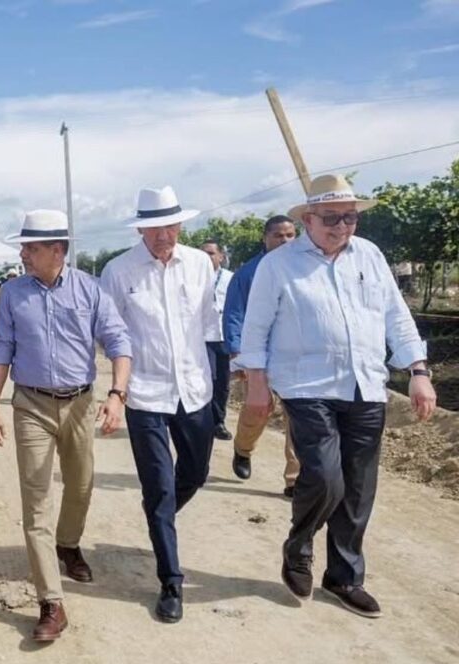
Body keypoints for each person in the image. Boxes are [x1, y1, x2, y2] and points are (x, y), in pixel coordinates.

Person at [239, 174, 436, 618]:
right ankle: (299, 544)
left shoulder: (369, 256)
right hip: (307, 387)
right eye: (331, 218)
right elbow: (256, 329)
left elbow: (396, 317)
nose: (342, 227)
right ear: (308, 219)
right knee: (327, 477)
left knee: (359, 488)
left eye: (350, 218)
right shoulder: (279, 265)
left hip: (365, 384)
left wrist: (418, 371)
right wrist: (256, 382)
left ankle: (344, 577)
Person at [0, 210, 132, 642]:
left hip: (81, 403)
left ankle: (68, 543)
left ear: (57, 250)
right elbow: (2, 349)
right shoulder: (13, 293)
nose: (23, 253)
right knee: (36, 501)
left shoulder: (90, 290)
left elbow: (118, 341)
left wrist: (117, 394)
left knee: (81, 484)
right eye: (24, 246)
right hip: (30, 403)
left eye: (31, 247)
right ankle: (52, 601)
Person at [99, 185, 219, 623]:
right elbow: (113, 336)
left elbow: (208, 326)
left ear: (180, 224)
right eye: (153, 227)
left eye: (170, 225)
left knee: (196, 474)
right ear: (141, 229)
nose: (163, 234)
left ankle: (157, 511)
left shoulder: (201, 264)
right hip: (145, 394)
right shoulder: (119, 271)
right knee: (161, 486)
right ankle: (171, 581)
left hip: (195, 390)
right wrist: (117, 391)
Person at [223, 215, 300, 495]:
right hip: (259, 358)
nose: (284, 241)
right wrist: (236, 351)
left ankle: (294, 478)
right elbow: (234, 314)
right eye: (278, 235)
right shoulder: (248, 274)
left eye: (290, 235)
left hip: (295, 358)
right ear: (265, 238)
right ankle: (243, 449)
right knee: (258, 409)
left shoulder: (303, 269)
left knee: (298, 417)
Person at [200, 240, 233, 440]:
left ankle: (219, 422)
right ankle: (204, 420)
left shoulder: (231, 278)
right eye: (203, 253)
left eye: (211, 253)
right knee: (208, 380)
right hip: (203, 337)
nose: (207, 257)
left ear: (221, 256)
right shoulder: (192, 278)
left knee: (223, 383)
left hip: (224, 337)